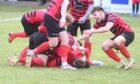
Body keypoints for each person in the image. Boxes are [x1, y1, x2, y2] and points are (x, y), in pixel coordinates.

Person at [8, 32, 103, 68]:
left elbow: (86, 49)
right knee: (42, 63)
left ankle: (21, 58)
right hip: (44, 41)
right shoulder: (70, 51)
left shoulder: (74, 49)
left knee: (34, 54)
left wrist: (90, 60)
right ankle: (20, 59)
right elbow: (86, 49)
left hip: (39, 36)